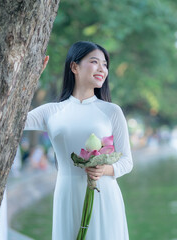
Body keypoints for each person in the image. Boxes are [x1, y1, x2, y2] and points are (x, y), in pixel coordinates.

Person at [24, 41, 133, 239]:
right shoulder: (51, 111)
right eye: (94, 62)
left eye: (105, 64)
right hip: (67, 193)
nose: (102, 69)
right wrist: (32, 78)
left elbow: (127, 161)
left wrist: (105, 169)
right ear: (74, 67)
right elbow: (14, 119)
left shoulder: (111, 111)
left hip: (103, 194)